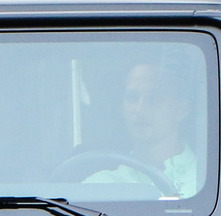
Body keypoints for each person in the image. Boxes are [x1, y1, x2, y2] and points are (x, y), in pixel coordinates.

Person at [84, 59, 205, 196]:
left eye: (153, 98)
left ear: (182, 110)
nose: (140, 109)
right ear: (123, 109)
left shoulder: (210, 182)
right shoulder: (98, 187)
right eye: (132, 97)